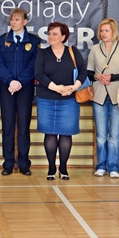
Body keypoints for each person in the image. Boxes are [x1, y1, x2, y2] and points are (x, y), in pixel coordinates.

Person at [34, 22, 86, 180]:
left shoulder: (73, 51)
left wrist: (74, 87)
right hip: (46, 99)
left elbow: (83, 72)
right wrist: (57, 88)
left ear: (63, 37)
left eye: (55, 34)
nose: (51, 36)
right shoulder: (42, 53)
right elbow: (38, 74)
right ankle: (51, 168)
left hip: (69, 99)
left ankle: (63, 168)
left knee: (65, 134)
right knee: (49, 134)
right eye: (49, 33)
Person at [0, 8, 40, 176]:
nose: (13, 22)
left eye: (17, 19)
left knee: (23, 127)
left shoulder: (34, 41)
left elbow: (34, 64)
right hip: (7, 88)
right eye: (12, 19)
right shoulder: (2, 40)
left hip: (25, 88)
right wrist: (10, 81)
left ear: (25, 22)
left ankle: (23, 163)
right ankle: (8, 163)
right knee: (7, 126)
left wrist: (20, 81)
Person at [87, 18, 119, 178]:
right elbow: (88, 72)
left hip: (117, 97)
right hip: (99, 96)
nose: (103, 33)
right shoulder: (95, 49)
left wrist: (113, 77)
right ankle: (101, 166)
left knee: (114, 135)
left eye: (107, 30)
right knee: (101, 135)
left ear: (113, 32)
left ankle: (113, 167)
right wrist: (98, 76)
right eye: (101, 30)